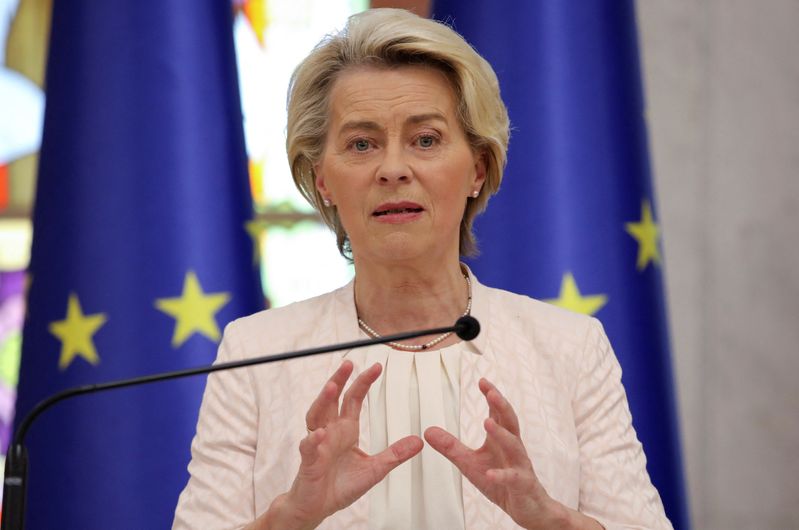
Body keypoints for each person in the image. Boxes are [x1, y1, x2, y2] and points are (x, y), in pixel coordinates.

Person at [173, 8, 672, 530]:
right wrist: (291, 518)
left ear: (478, 169)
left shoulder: (569, 348)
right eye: (361, 144)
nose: (393, 169)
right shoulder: (255, 354)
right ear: (323, 179)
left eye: (426, 140)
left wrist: (550, 519)